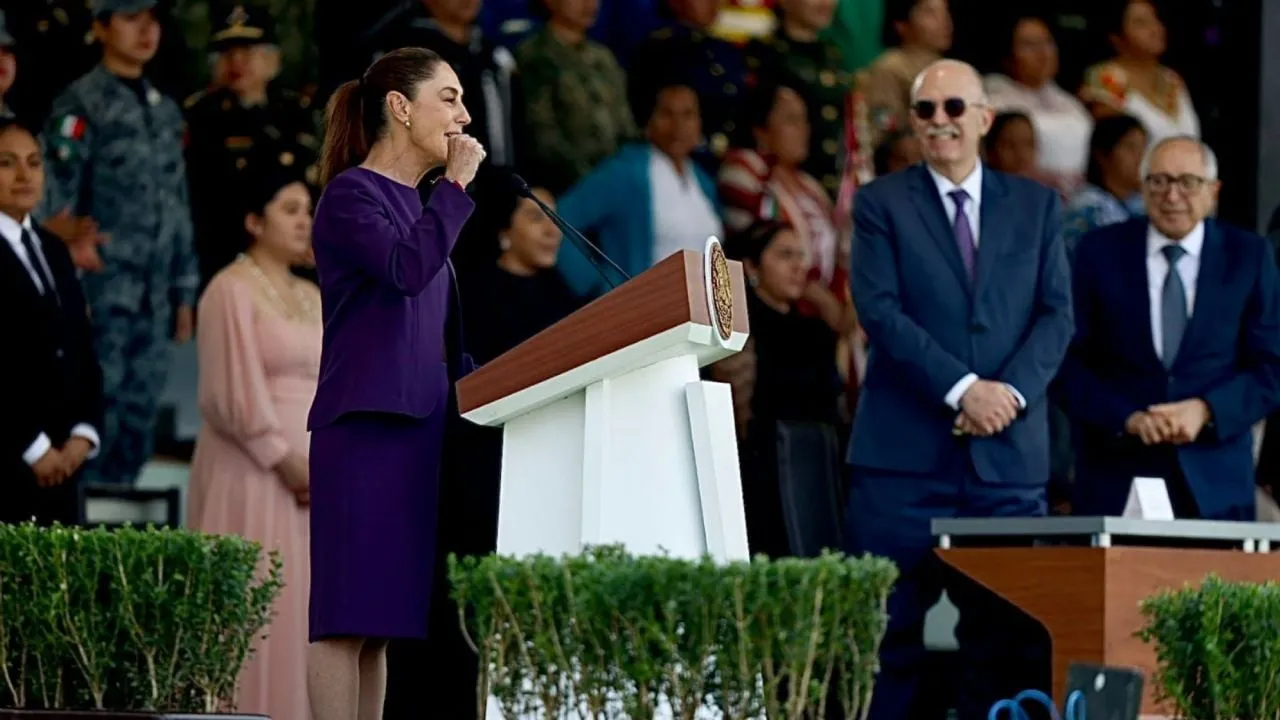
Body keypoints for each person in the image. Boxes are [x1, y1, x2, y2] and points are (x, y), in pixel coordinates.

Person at [844, 59, 1072, 720]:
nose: (940, 122)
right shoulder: (881, 203)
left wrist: (1009, 396)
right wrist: (965, 388)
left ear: (983, 118)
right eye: (926, 111)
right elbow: (879, 312)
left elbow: (1058, 315)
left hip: (1004, 468)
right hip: (902, 467)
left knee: (1006, 645)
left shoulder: (1035, 205)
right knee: (885, 642)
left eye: (953, 108)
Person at [305, 47, 484, 720]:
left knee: (381, 628)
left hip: (419, 432)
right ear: (399, 107)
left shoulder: (422, 205)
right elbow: (406, 271)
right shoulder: (352, 195)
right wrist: (456, 191)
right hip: (366, 429)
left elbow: (443, 336)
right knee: (346, 616)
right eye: (449, 97)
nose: (464, 117)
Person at [1055, 136, 1280, 521]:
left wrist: (1205, 411)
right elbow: (1067, 363)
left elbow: (1270, 368)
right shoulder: (1099, 253)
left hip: (1216, 482)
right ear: (1142, 189)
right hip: (1116, 475)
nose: (1172, 196)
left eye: (1188, 183)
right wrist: (1128, 418)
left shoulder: (1249, 257)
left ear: (1213, 191)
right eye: (1159, 182)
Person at [39, 0, 197, 486]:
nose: (146, 30)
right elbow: (51, 201)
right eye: (131, 19)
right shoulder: (80, 102)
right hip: (102, 289)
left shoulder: (164, 109)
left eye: (153, 19)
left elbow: (177, 203)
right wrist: (67, 257)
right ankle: (81, 534)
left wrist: (185, 289)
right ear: (102, 28)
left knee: (140, 412)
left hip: (154, 291)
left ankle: (121, 533)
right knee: (93, 408)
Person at [186, 145, 319, 720]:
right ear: (252, 220)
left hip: (317, 481)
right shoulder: (229, 288)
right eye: (289, 208)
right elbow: (226, 394)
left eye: (307, 211)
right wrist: (283, 457)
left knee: (301, 614)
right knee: (253, 613)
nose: (302, 221)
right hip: (254, 474)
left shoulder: (314, 294)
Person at [0, 118, 103, 526]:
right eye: (7, 163)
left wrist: (84, 433)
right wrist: (33, 447)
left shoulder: (54, 250)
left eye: (34, 162)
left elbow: (82, 349)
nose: (25, 175)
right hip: (11, 462)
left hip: (66, 464)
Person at [184, 4, 320, 287]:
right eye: (228, 53)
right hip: (228, 261)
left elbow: (319, 182)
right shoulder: (202, 116)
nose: (237, 62)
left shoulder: (297, 112)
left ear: (273, 58)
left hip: (298, 262)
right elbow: (200, 200)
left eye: (248, 51)